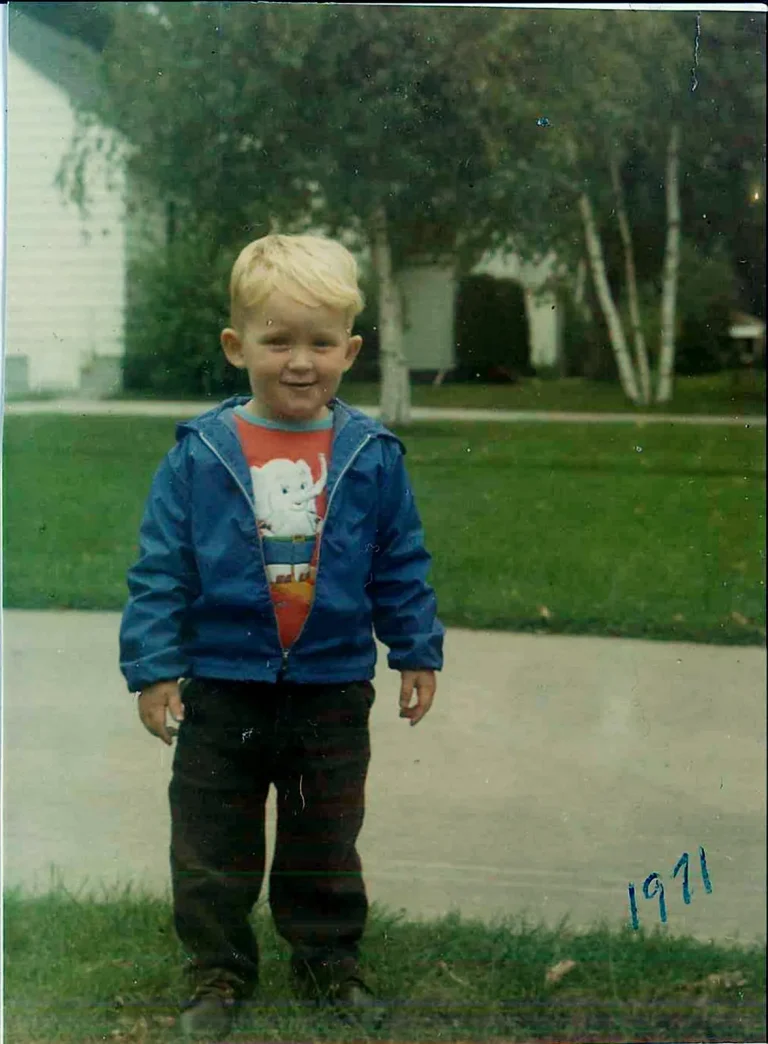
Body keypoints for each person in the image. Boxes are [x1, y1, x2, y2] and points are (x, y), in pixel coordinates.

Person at [119, 233, 445, 1038]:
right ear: (238, 347)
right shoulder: (201, 455)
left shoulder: (370, 454)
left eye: (321, 343)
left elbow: (399, 560)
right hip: (223, 685)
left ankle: (329, 962)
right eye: (278, 341)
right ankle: (218, 971)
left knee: (324, 838)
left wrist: (416, 649)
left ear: (351, 350)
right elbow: (161, 569)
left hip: (332, 688)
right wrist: (155, 669)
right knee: (211, 843)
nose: (301, 362)